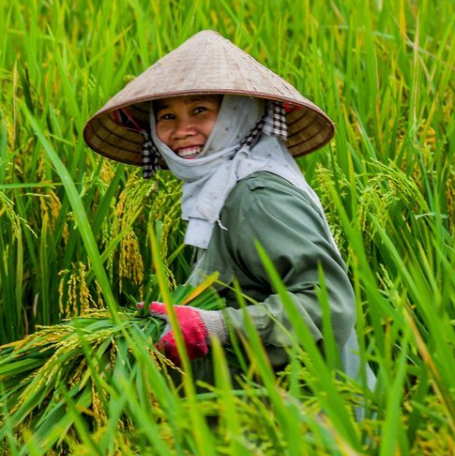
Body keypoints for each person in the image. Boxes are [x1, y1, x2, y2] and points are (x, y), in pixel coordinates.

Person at [82, 30, 371, 388]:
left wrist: (213, 326)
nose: (181, 130)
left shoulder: (257, 194)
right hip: (256, 408)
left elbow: (329, 304)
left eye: (200, 110)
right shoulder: (221, 189)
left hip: (309, 414)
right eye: (167, 117)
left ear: (239, 114)